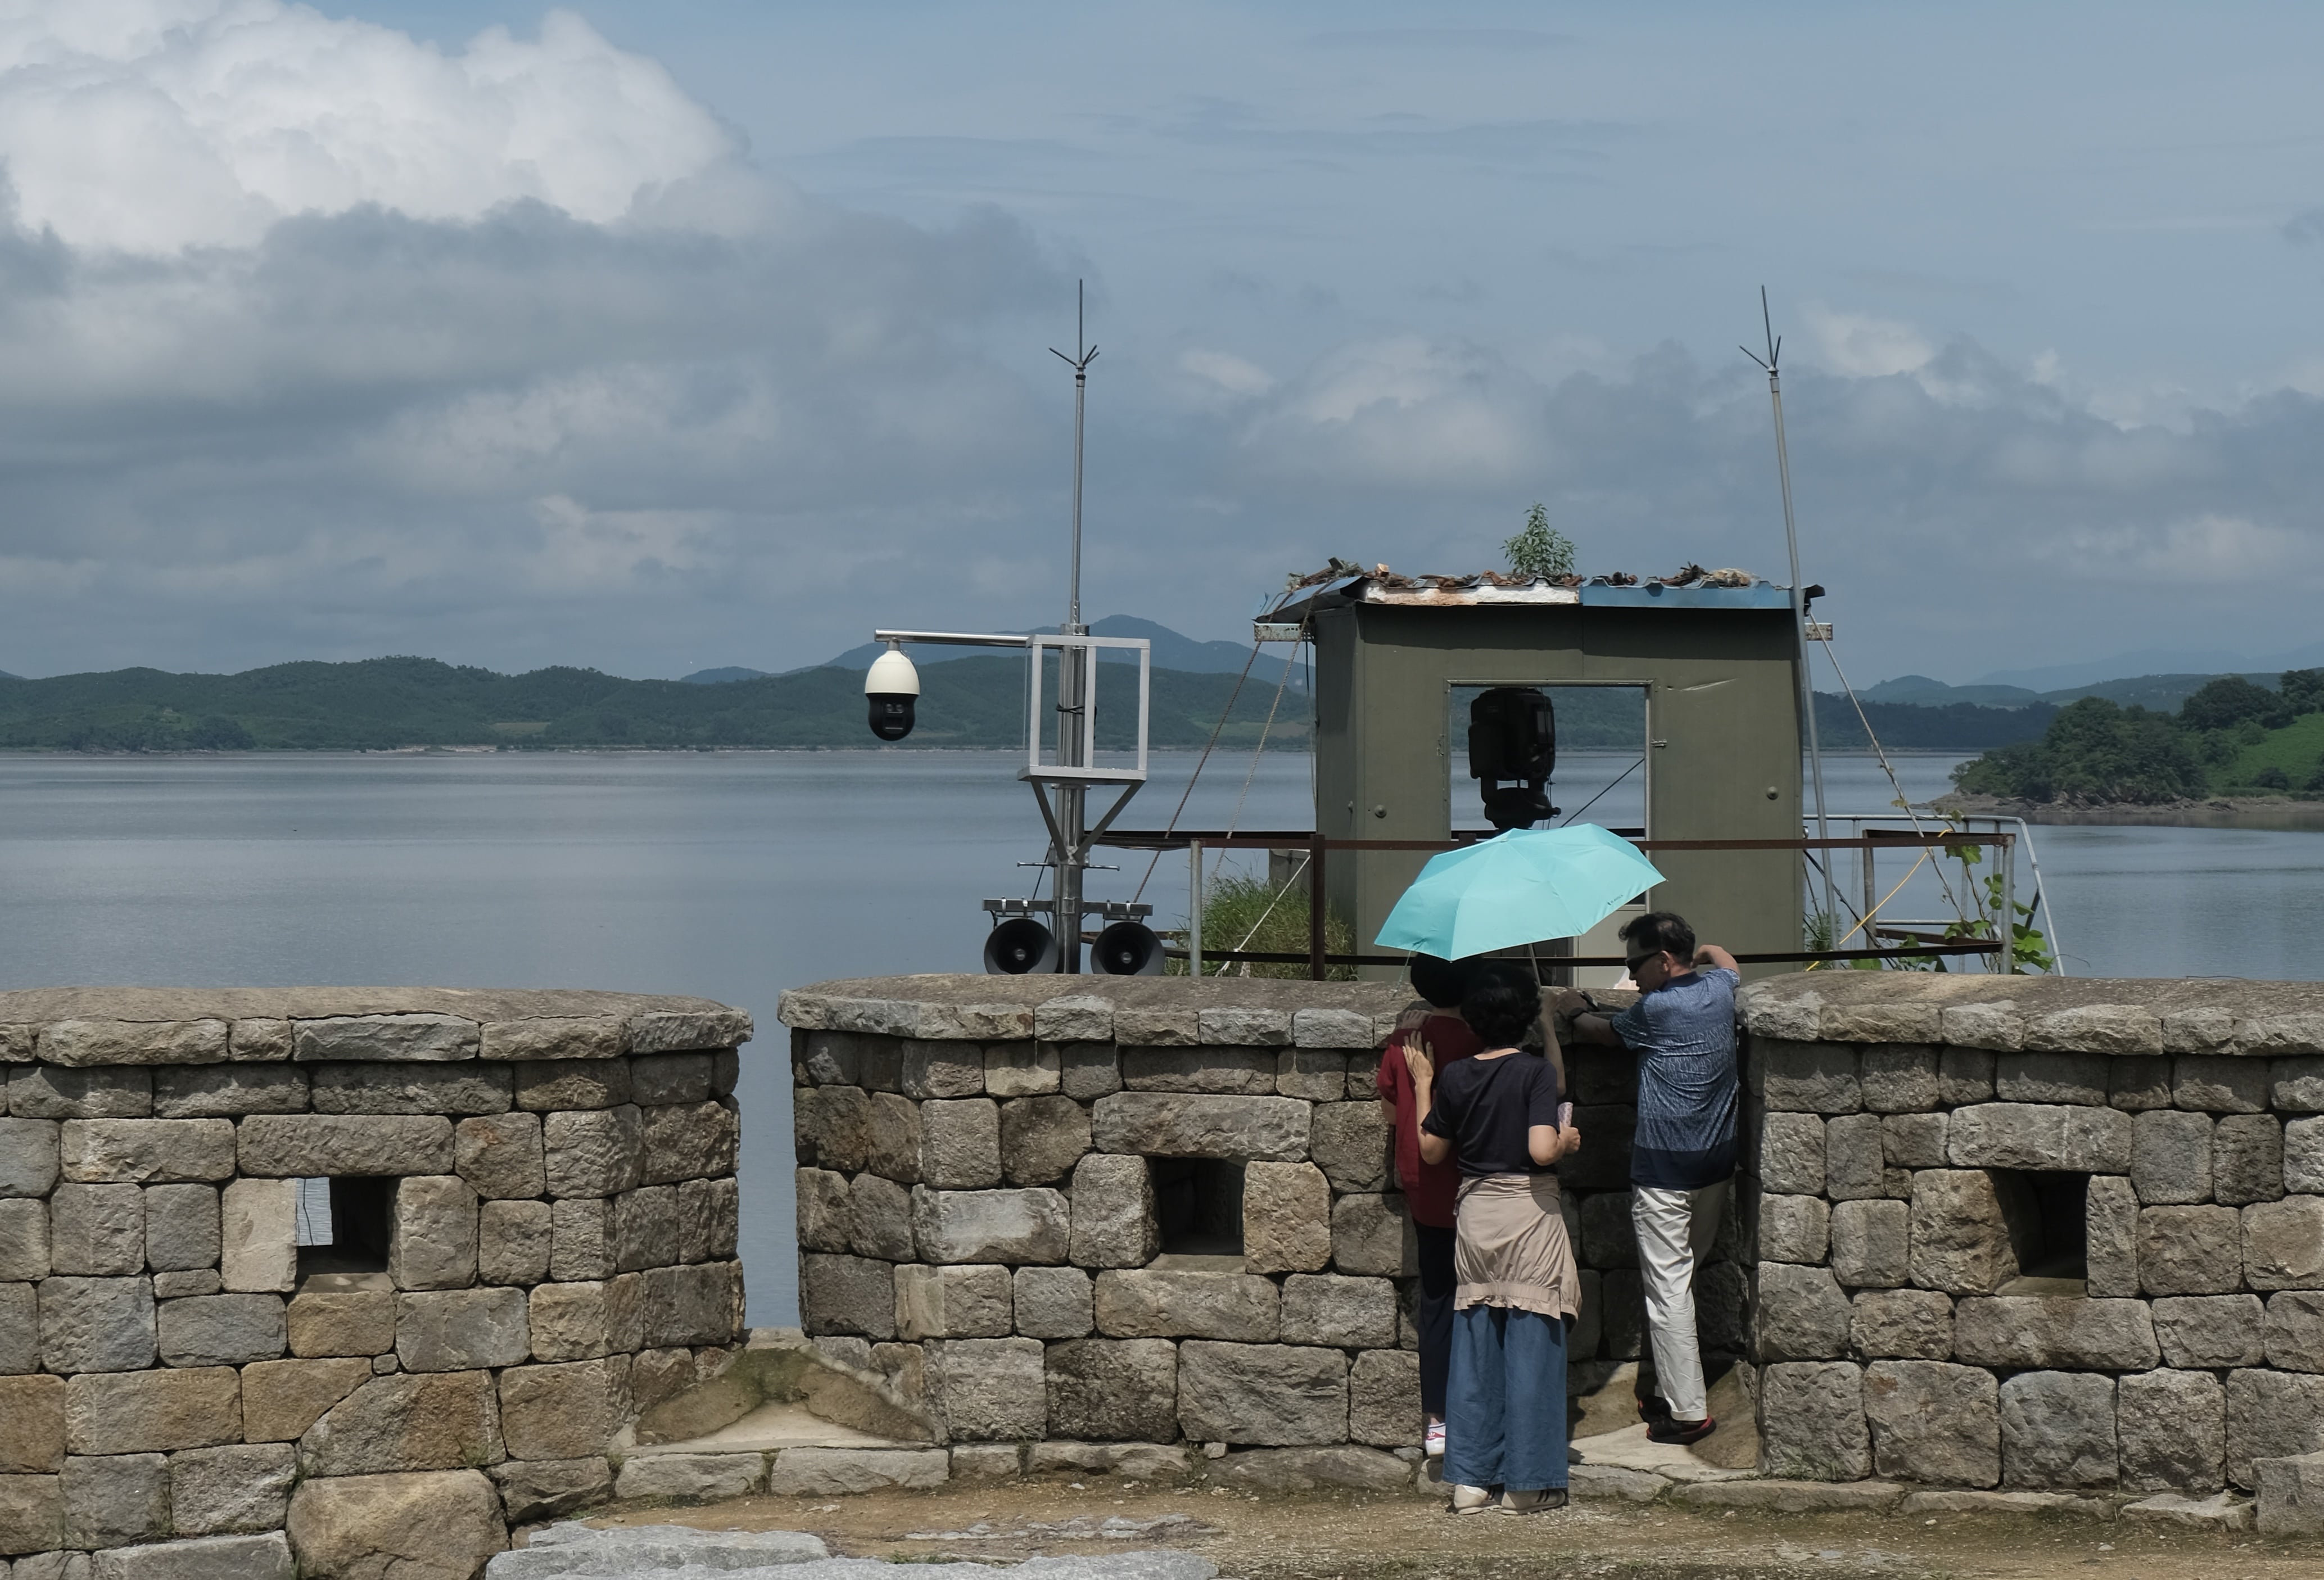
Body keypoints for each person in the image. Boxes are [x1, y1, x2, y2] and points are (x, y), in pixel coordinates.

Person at [1553, 911, 1739, 1447]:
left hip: (1664, 1169)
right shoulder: (1719, 990)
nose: (1631, 975)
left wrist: (1572, 1008)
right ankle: (1667, 1388)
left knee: (1668, 1290)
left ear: (1662, 960)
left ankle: (1689, 1413)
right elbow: (1728, 962)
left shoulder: (1655, 1009)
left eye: (1635, 964)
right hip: (1715, 1161)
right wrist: (1704, 953)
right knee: (1686, 1275)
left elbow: (1600, 1032)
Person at [1418, 960, 1583, 1514]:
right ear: (1525, 1017)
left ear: (1472, 1020)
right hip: (1527, 1213)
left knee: (1475, 1344)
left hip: (1475, 1214)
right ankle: (1527, 1485)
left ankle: (1469, 1482)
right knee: (1533, 1343)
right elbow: (1541, 1150)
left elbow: (1432, 1151)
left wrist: (1423, 1086)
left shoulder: (1456, 1075)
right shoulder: (1533, 1073)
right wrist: (1567, 1139)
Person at [1374, 953, 1486, 1459]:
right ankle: (1480, 1412)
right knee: (1484, 1300)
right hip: (1478, 1185)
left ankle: (1436, 1419)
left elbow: (1389, 1111)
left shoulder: (1405, 1040)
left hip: (1424, 1186)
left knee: (1437, 1300)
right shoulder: (1484, 1039)